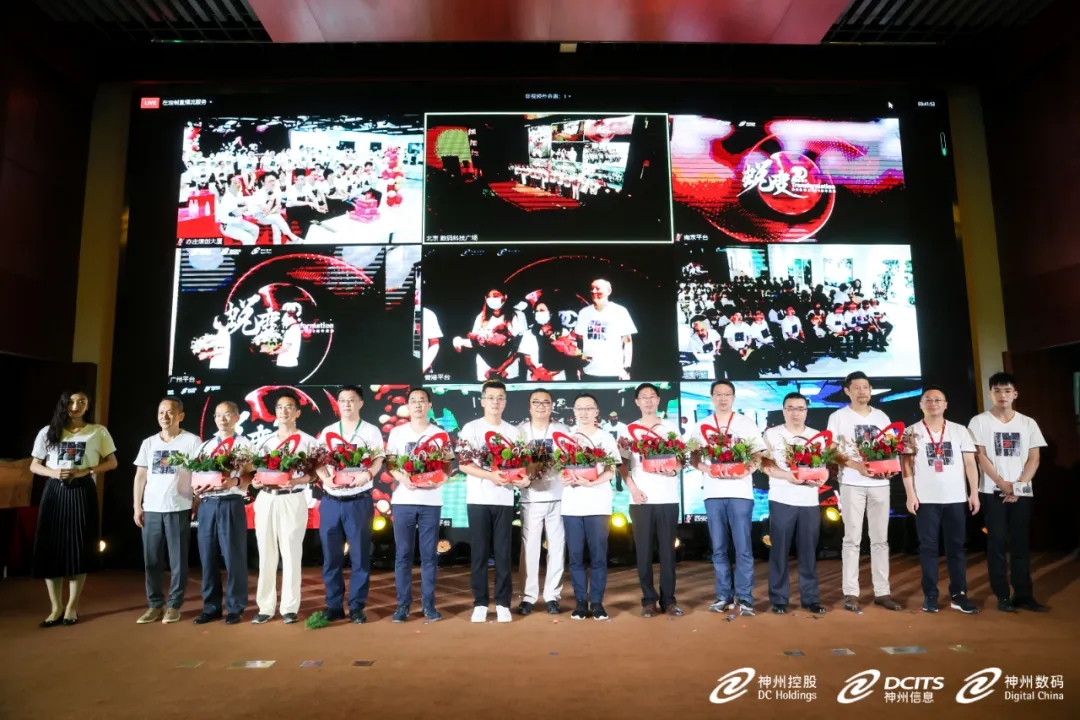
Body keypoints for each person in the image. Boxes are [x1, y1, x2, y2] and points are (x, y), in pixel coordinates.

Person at [29, 390, 118, 627]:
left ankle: (71, 606)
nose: (75, 406)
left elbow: (112, 462)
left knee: (79, 547)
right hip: (54, 491)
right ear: (63, 404)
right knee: (52, 548)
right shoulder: (48, 431)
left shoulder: (98, 431)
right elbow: (34, 465)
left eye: (81, 402)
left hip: (82, 490)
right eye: (71, 402)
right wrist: (54, 472)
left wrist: (86, 471)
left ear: (88, 406)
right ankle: (55, 607)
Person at [968, 372, 1048, 613]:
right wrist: (1001, 483)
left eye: (1007, 391)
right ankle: (1002, 595)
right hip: (992, 491)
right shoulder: (979, 422)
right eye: (997, 391)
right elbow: (980, 456)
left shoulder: (1028, 423)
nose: (1002, 395)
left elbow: (1034, 459)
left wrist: (1018, 486)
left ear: (1015, 394)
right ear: (990, 394)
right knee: (997, 544)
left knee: (1021, 544)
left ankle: (1023, 594)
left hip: (1022, 493)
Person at [687, 380, 765, 616]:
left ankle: (745, 597)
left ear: (733, 397)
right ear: (712, 397)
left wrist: (747, 470)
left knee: (743, 548)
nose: (723, 398)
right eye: (718, 394)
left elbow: (758, 454)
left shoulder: (746, 423)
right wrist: (707, 469)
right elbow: (693, 457)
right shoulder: (701, 425)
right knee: (719, 548)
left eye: (727, 394)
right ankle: (724, 596)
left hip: (741, 492)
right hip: (713, 493)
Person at [827, 371, 903, 612]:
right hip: (852, 483)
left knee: (880, 539)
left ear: (870, 390)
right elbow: (831, 450)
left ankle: (882, 592)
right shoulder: (838, 417)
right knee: (852, 539)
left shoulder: (881, 416)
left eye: (866, 387)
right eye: (857, 387)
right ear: (847, 391)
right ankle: (851, 593)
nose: (862, 391)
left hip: (880, 484)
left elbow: (889, 449)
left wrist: (891, 469)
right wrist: (856, 465)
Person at [901, 386, 980, 614]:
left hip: (955, 498)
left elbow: (970, 464)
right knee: (928, 549)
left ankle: (958, 594)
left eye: (938, 400)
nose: (933, 403)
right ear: (921, 405)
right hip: (925, 500)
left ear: (945, 405)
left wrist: (973, 493)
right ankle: (930, 595)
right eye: (928, 399)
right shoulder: (910, 431)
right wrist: (910, 494)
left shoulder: (959, 430)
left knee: (956, 548)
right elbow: (906, 466)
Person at [315, 386, 385, 624]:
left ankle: (356, 607)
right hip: (331, 501)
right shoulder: (329, 431)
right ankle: (334, 606)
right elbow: (317, 461)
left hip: (358, 501)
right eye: (342, 400)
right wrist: (325, 479)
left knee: (360, 557)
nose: (346, 404)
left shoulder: (371, 430)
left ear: (361, 403)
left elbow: (378, 459)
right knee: (331, 558)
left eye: (351, 400)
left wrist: (368, 475)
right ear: (338, 404)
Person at [458, 380, 525, 623]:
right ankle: (480, 603)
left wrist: (522, 478)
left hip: (504, 499)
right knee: (479, 554)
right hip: (478, 499)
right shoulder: (471, 428)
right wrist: (490, 475)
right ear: (482, 401)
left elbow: (520, 465)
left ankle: (503, 603)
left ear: (505, 402)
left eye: (500, 398)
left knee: (503, 554)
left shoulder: (514, 432)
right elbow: (464, 465)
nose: (496, 402)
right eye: (491, 397)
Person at [251, 390, 319, 624]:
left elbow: (314, 474)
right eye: (280, 407)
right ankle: (265, 607)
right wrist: (255, 482)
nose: (284, 411)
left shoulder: (308, 441)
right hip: (266, 498)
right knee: (266, 553)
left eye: (289, 407)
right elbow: (255, 472)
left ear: (297, 413)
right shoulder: (265, 441)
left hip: (292, 497)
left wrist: (298, 481)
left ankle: (289, 607)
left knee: (291, 553)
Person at [133, 398, 202, 624]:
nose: (165, 416)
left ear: (180, 416)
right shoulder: (149, 443)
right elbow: (140, 476)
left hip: (178, 506)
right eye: (161, 412)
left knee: (178, 560)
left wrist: (197, 499)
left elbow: (200, 473)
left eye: (170, 412)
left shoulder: (192, 441)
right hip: (151, 508)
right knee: (151, 560)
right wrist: (137, 506)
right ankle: (154, 605)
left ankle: (174, 605)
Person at [619, 383, 682, 617]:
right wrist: (633, 489)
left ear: (658, 400)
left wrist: (673, 471)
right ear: (637, 402)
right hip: (641, 500)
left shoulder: (670, 427)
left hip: (667, 497)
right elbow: (622, 465)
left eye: (652, 396)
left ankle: (669, 600)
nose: (648, 400)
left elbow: (680, 460)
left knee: (668, 552)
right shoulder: (628, 430)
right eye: (643, 397)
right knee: (643, 552)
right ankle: (648, 600)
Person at [761, 393, 827, 615]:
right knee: (779, 551)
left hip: (809, 501)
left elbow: (822, 467)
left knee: (808, 552)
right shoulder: (772, 434)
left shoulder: (816, 436)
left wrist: (822, 477)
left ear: (806, 411)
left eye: (800, 408)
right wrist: (787, 476)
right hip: (781, 499)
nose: (795, 413)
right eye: (790, 408)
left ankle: (810, 598)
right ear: (783, 411)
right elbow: (765, 466)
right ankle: (779, 599)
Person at [387, 387, 448, 623]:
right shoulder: (397, 433)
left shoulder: (439, 433)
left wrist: (438, 480)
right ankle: (403, 605)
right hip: (403, 501)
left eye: (422, 401)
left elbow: (448, 466)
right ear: (407, 406)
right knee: (403, 555)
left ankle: (428, 604)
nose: (418, 405)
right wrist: (405, 479)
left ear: (430, 405)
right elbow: (391, 464)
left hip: (430, 502)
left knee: (429, 556)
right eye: (413, 401)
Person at [191, 401, 253, 625]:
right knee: (207, 557)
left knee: (234, 557)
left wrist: (234, 481)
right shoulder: (206, 446)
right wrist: (196, 501)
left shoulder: (245, 444)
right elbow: (196, 474)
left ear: (237, 418)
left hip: (231, 502)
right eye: (218, 415)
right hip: (207, 504)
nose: (222, 419)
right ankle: (211, 607)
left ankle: (235, 607)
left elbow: (252, 474)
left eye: (227, 415)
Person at [561, 393, 621, 620]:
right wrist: (564, 477)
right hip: (571, 506)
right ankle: (579, 603)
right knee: (575, 558)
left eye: (588, 408)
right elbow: (559, 469)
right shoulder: (566, 438)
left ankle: (597, 603)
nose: (583, 412)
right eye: (579, 408)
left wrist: (592, 482)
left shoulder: (606, 438)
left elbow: (611, 471)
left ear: (596, 412)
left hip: (598, 505)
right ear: (574, 412)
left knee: (598, 557)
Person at [517, 388, 569, 615]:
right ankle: (528, 597)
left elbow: (569, 460)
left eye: (545, 402)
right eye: (536, 402)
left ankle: (552, 596)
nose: (541, 406)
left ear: (551, 406)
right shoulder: (520, 431)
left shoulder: (562, 430)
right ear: (529, 407)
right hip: (530, 497)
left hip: (559, 496)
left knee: (557, 548)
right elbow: (513, 463)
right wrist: (523, 478)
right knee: (529, 549)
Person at [574, 279, 637, 380]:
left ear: (609, 291)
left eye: (598, 288)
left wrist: (627, 366)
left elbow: (627, 341)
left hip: (614, 371)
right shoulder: (583, 313)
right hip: (589, 371)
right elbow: (579, 341)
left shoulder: (620, 311)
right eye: (592, 289)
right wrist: (579, 365)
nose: (594, 291)